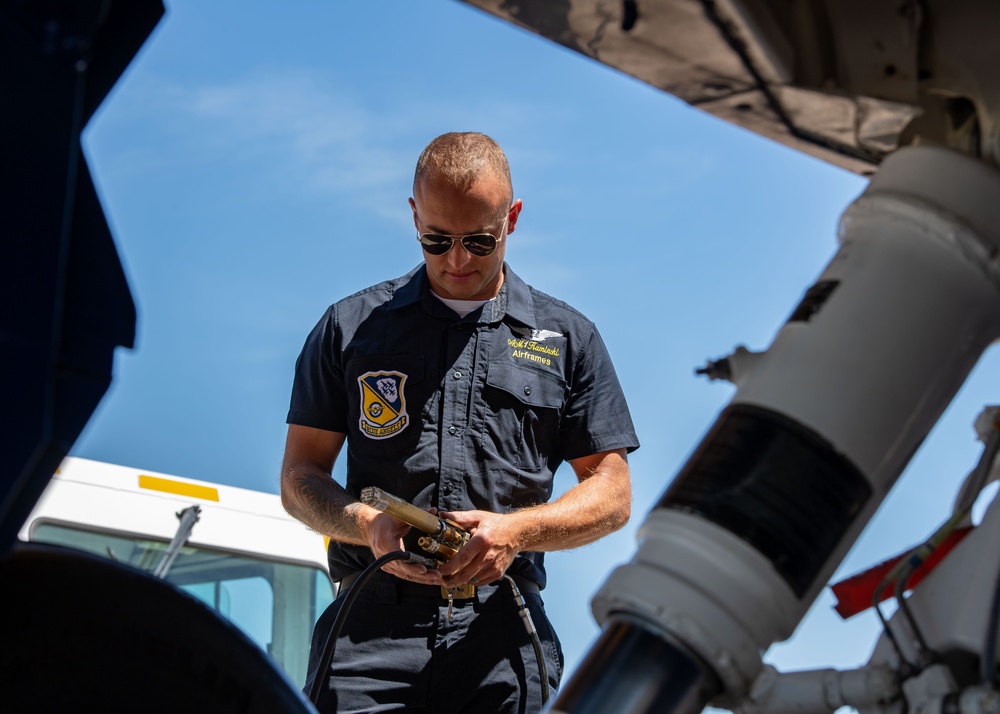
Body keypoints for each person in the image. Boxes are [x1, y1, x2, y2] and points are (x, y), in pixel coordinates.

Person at [280, 131, 639, 713]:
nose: (457, 260)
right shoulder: (349, 327)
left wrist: (514, 533)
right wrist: (368, 525)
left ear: (512, 219)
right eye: (436, 238)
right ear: (413, 215)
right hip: (368, 634)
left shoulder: (569, 338)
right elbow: (300, 479)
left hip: (502, 632)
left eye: (479, 239)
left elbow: (613, 494)